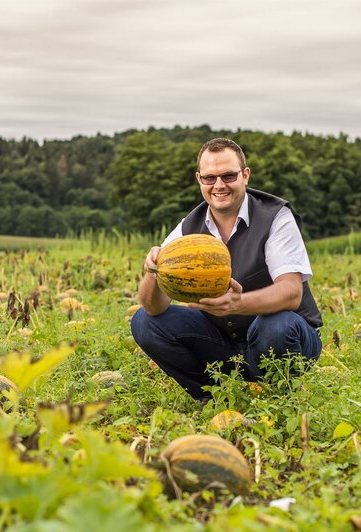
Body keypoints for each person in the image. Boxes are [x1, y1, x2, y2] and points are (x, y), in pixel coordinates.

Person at [130, 138, 323, 401]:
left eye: (228, 176)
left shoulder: (275, 216)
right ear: (199, 179)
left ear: (245, 175)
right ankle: (211, 397)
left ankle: (279, 397)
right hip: (224, 342)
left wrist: (237, 303)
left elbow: (291, 293)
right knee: (145, 322)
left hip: (285, 339)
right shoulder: (189, 227)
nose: (219, 185)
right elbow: (154, 307)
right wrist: (153, 270)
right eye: (209, 178)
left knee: (277, 325)